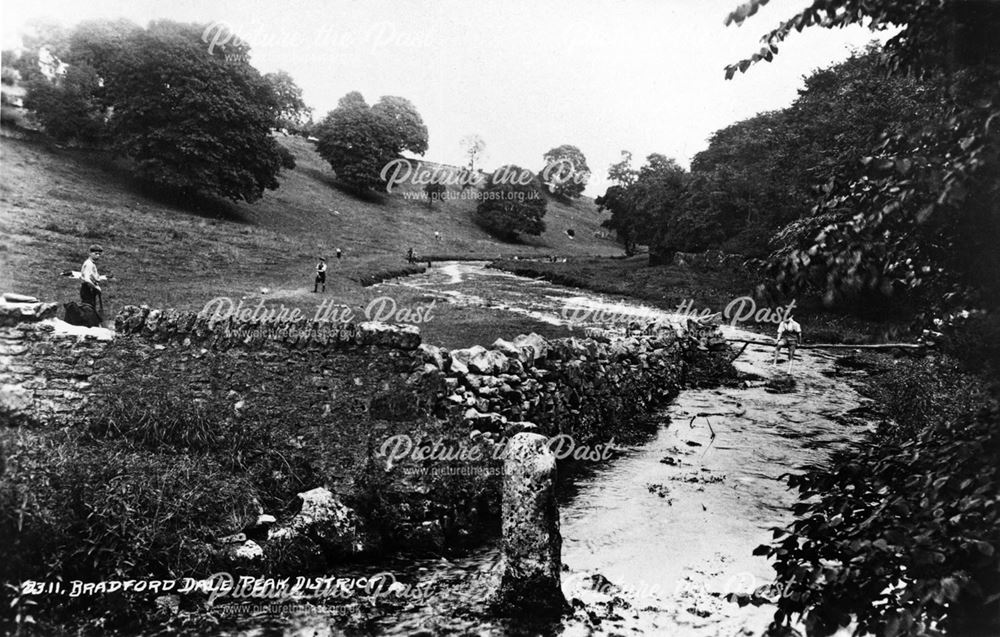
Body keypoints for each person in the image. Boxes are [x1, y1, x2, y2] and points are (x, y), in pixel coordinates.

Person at [80, 244, 107, 311]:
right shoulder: (89, 264)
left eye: (99, 254)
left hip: (90, 289)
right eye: (96, 253)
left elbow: (92, 277)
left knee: (91, 308)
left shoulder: (92, 264)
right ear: (90, 253)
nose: (98, 256)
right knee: (88, 309)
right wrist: (96, 287)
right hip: (87, 289)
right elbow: (86, 279)